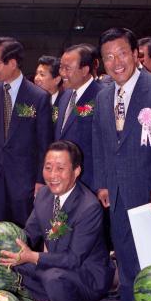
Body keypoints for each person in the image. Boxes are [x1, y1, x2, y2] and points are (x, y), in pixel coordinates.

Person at [92, 27, 151, 301]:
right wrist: (103, 183)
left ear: (135, 54)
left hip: (150, 192)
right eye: (108, 57)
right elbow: (101, 142)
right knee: (126, 258)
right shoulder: (104, 96)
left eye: (121, 54)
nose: (116, 63)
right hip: (117, 194)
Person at [0, 141, 115, 301]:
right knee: (6, 260)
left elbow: (73, 259)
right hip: (56, 266)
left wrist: (33, 256)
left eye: (60, 169)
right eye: (48, 167)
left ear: (76, 171)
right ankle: (58, 298)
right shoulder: (44, 195)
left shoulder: (89, 207)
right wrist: (2, 236)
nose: (52, 175)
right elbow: (29, 233)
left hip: (87, 276)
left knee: (53, 278)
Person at [0, 36, 53, 227]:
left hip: (24, 180)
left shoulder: (38, 97)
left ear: (12, 63)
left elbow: (44, 143)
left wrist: (40, 179)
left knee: (24, 230)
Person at [55, 44, 103, 191]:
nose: (62, 73)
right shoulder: (65, 96)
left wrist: (102, 184)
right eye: (61, 67)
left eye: (67, 68)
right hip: (66, 179)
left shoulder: (102, 96)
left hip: (90, 181)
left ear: (84, 70)